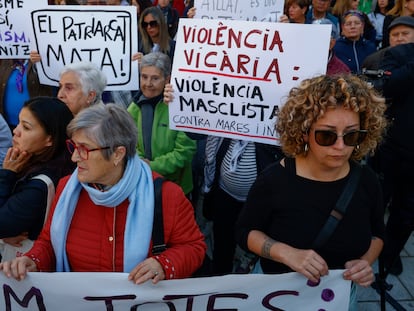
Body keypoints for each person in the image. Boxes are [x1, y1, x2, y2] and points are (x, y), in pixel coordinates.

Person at [0, 103, 206, 282]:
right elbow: (48, 243)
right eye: (74, 147)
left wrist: (164, 264)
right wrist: (33, 261)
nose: (74, 158)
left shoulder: (166, 195)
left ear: (118, 153)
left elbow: (194, 247)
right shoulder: (66, 188)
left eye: (85, 149)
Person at [235, 74, 387, 310]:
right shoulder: (274, 180)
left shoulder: (367, 181)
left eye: (351, 135)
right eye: (326, 135)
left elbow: (378, 234)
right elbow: (245, 232)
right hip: (277, 297)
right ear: (304, 132)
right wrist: (286, 253)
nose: (340, 146)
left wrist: (365, 264)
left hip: (340, 298)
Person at [0, 97, 74, 261]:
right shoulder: (28, 162)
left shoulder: (40, 184)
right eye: (19, 123)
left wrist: (6, 175)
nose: (15, 131)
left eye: (26, 127)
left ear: (50, 139)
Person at [128, 52, 196, 196]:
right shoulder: (134, 108)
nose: (148, 84)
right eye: (144, 77)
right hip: (144, 183)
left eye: (155, 78)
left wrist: (151, 166)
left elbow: (184, 152)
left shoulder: (180, 107)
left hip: (176, 188)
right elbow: (128, 142)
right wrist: (141, 162)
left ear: (167, 79)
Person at [376, 31, 414, 276]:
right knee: (376, 201)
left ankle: (389, 257)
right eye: (396, 33)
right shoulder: (398, 54)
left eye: (405, 33)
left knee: (407, 212)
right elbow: (387, 87)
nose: (400, 37)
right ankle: (368, 245)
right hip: (391, 150)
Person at [0, 59, 55, 131]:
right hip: (6, 124)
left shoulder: (40, 59)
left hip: (33, 124)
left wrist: (38, 61)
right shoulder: (5, 61)